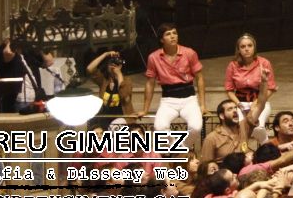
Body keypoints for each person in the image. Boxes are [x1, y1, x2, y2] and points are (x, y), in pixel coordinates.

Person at [141, 23, 206, 151]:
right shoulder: (153, 57)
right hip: (168, 100)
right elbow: (150, 83)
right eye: (168, 34)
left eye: (174, 33)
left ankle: (179, 150)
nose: (172, 36)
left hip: (189, 99)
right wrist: (145, 109)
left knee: (196, 127)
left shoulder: (189, 53)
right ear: (161, 39)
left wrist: (202, 104)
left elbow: (200, 78)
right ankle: (178, 150)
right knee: (160, 128)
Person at [224, 33, 276, 144]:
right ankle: (244, 152)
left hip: (260, 100)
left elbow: (271, 88)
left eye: (249, 45)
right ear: (238, 50)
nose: (246, 49)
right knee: (241, 129)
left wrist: (257, 102)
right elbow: (229, 90)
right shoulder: (232, 65)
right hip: (240, 102)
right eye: (243, 47)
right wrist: (238, 104)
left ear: (254, 47)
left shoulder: (264, 63)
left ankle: (267, 151)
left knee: (257, 127)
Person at [86, 50, 135, 123]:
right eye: (111, 64)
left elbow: (125, 96)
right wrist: (105, 54)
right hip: (104, 119)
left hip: (122, 120)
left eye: (116, 64)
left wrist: (118, 74)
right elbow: (90, 69)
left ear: (120, 66)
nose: (113, 66)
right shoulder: (104, 81)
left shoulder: (127, 81)